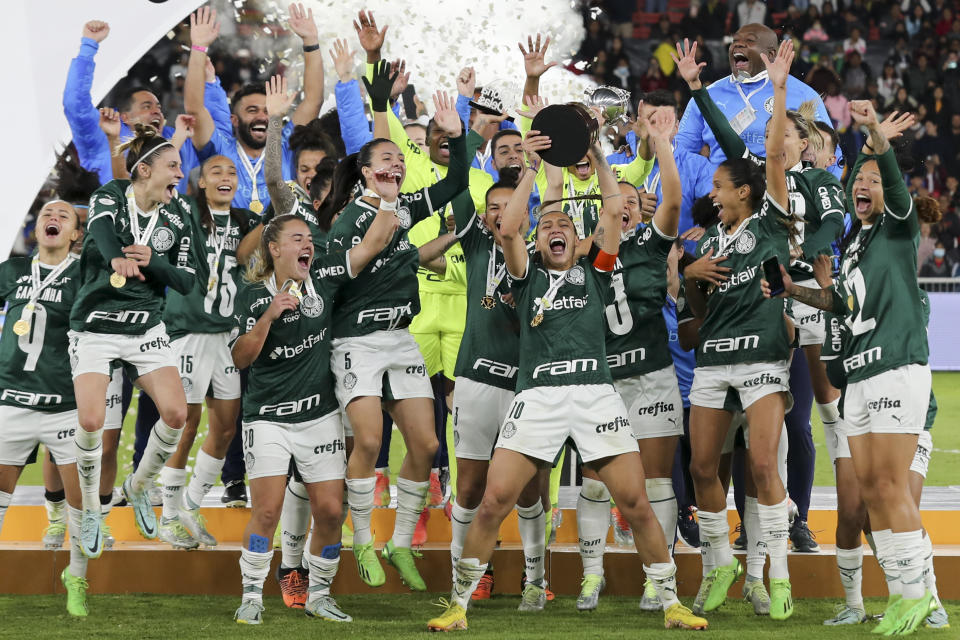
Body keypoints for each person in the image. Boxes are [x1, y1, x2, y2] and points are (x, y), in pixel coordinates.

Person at [427, 133, 707, 632]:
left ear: (579, 241)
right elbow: (510, 227)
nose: (555, 227)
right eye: (546, 225)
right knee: (493, 501)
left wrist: (598, 157)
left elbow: (613, 211)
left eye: (564, 225)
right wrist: (533, 168)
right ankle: (459, 602)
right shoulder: (525, 276)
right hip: (537, 398)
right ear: (537, 242)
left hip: (596, 396)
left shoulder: (597, 271)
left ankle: (670, 602)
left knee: (636, 502)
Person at [764, 99, 941, 635]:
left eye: (873, 180)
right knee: (870, 497)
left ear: (889, 193)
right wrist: (797, 290)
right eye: (857, 179)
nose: (863, 185)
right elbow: (841, 304)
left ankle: (917, 598)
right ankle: (907, 595)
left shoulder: (896, 228)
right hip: (859, 379)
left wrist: (873, 141)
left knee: (890, 488)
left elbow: (885, 174)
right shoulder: (859, 244)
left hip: (894, 369)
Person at [674, 37, 847, 553]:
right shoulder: (758, 171)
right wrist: (698, 89)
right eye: (778, 134)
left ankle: (794, 517)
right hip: (765, 295)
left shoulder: (817, 179)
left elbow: (833, 224)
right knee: (751, 427)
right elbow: (726, 134)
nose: (779, 141)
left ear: (802, 140)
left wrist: (800, 262)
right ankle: (751, 528)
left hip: (799, 290)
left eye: (789, 134)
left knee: (800, 418)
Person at [325, 60, 469, 591]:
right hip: (357, 341)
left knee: (428, 445)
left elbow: (455, 182)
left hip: (399, 336)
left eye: (398, 161)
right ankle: (361, 538)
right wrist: (380, 230)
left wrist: (459, 135)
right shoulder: (350, 218)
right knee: (367, 439)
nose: (395, 164)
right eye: (384, 159)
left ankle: (399, 541)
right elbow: (351, 268)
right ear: (365, 172)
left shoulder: (405, 208)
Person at [230, 207, 397, 625]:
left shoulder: (321, 277)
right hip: (267, 418)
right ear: (274, 248)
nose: (308, 245)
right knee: (266, 512)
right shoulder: (251, 294)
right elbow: (239, 357)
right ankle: (251, 596)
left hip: (319, 415)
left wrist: (388, 200)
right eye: (298, 239)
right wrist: (270, 314)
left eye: (309, 239)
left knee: (328, 511)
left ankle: (319, 595)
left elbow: (372, 244)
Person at [682, 39, 797, 621]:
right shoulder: (712, 240)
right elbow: (697, 311)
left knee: (761, 468)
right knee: (702, 468)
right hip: (714, 360)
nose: (712, 195)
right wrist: (691, 272)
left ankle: (778, 575)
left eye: (720, 188)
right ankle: (721, 563)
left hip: (762, 361)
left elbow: (766, 156)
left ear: (745, 190)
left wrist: (776, 90)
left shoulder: (772, 218)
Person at [69, 125, 200, 558]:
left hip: (145, 328)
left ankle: (139, 485)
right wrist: (117, 258)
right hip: (96, 328)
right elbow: (102, 233)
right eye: (173, 166)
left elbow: (188, 280)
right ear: (144, 171)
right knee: (90, 422)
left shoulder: (178, 214)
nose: (181, 174)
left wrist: (155, 263)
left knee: (177, 414)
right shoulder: (110, 195)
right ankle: (91, 510)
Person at [576, 108, 685, 613]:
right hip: (604, 383)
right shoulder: (590, 256)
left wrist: (662, 143)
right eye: (612, 205)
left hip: (654, 376)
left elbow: (675, 200)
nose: (623, 211)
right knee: (596, 485)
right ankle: (590, 576)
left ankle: (656, 580)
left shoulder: (650, 243)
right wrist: (598, 157)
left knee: (658, 481)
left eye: (630, 204)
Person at [447, 176, 550, 609]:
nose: (501, 212)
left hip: (526, 386)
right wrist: (458, 135)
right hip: (475, 380)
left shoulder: (547, 257)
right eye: (494, 206)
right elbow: (455, 184)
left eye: (511, 205)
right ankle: (464, 579)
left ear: (526, 212)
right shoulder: (474, 244)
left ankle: (535, 579)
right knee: (469, 487)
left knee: (528, 490)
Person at [155, 154, 256, 550]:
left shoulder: (247, 222)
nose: (226, 176)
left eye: (232, 172)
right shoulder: (184, 216)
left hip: (226, 337)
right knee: (187, 424)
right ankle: (168, 516)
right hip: (190, 333)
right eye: (216, 171)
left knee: (226, 428)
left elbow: (253, 255)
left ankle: (190, 507)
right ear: (201, 183)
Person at [0, 201, 89, 616]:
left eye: (63, 216)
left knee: (81, 505)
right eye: (45, 215)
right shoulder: (13, 271)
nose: (51, 218)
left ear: (75, 234)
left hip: (64, 406)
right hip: (12, 401)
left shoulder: (85, 276)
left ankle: (76, 577)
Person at [184, 4, 325, 211]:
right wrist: (198, 48)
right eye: (252, 110)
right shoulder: (220, 148)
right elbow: (194, 108)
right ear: (234, 120)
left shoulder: (286, 145)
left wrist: (311, 41)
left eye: (268, 110)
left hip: (282, 239)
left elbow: (313, 100)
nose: (262, 116)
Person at [62, 20, 226, 189]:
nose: (157, 112)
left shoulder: (179, 137)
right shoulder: (104, 134)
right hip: (116, 214)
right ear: (125, 117)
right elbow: (75, 103)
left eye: (159, 108)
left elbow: (220, 142)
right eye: (147, 106)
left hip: (168, 215)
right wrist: (88, 46)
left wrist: (212, 84)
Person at [675, 24, 843, 178]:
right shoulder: (708, 95)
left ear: (771, 54)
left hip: (780, 197)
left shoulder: (803, 95)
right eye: (735, 41)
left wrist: (824, 195)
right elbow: (681, 154)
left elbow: (830, 154)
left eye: (749, 41)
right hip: (721, 196)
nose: (738, 45)